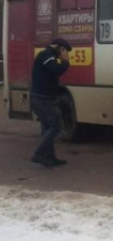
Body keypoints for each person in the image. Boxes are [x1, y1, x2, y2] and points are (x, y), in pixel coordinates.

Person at [30, 38, 72, 167]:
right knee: (56, 126)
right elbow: (57, 70)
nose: (64, 54)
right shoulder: (46, 55)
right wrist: (66, 60)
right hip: (42, 99)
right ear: (60, 48)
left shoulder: (49, 55)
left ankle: (50, 158)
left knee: (49, 127)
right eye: (64, 51)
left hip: (43, 98)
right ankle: (39, 153)